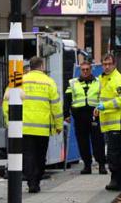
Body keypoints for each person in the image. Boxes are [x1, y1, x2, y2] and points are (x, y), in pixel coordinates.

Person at [14, 56, 63, 193]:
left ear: (30, 66)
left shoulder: (18, 80)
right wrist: (59, 125)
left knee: (28, 155)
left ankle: (31, 182)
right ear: (42, 66)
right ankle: (36, 180)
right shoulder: (49, 82)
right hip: (42, 128)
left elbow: (7, 102)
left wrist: (9, 122)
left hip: (24, 127)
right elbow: (56, 106)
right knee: (40, 156)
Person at [95, 53, 121, 191]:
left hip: (118, 121)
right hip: (110, 121)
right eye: (104, 64)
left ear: (114, 64)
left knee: (114, 153)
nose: (106, 67)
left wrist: (104, 106)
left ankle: (117, 181)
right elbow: (103, 97)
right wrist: (98, 108)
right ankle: (116, 181)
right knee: (114, 153)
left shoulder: (118, 79)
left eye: (109, 64)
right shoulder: (103, 79)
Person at [64, 61, 107, 175]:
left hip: (94, 116)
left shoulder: (98, 82)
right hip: (79, 117)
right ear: (80, 70)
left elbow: (103, 98)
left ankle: (101, 165)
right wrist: (66, 114)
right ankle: (87, 165)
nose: (85, 71)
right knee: (82, 142)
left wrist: (102, 110)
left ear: (91, 70)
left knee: (98, 141)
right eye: (83, 69)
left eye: (87, 69)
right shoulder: (73, 83)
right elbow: (67, 98)